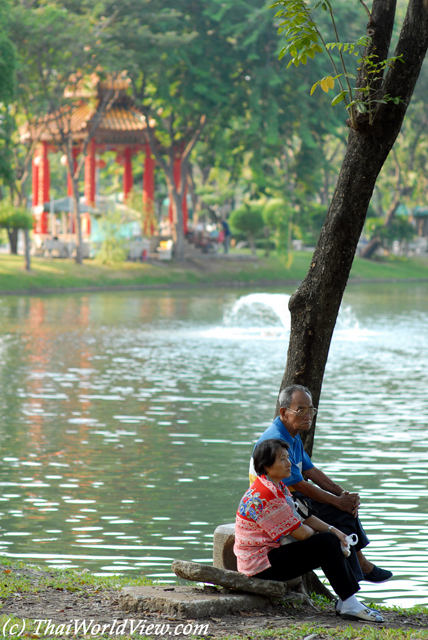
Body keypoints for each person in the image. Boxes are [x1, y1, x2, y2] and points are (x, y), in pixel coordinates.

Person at [249, 384, 393, 584]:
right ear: (284, 412)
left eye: (311, 410)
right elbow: (299, 484)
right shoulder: (277, 439)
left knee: (344, 512)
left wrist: (342, 494)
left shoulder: (293, 435)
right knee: (341, 516)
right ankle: (358, 572)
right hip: (280, 501)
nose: (308, 415)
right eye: (301, 410)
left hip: (292, 497)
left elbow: (311, 470)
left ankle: (358, 572)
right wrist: (337, 502)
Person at [235, 439, 384, 623]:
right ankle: (349, 602)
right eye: (282, 459)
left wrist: (335, 531)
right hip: (260, 565)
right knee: (327, 543)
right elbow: (302, 533)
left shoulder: (276, 486)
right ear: (266, 465)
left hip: (270, 555)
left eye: (288, 458)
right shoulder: (266, 495)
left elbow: (304, 516)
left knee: (330, 539)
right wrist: (328, 536)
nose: (289, 463)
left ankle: (348, 601)